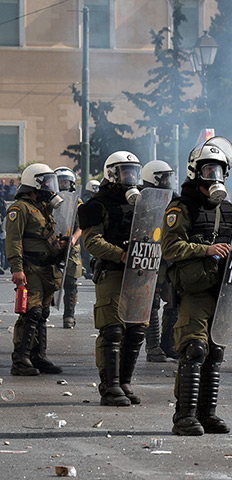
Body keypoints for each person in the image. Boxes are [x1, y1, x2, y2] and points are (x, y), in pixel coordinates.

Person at [161, 136, 232, 436]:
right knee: (194, 349)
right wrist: (204, 249)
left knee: (214, 351)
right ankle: (184, 416)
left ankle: (208, 414)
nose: (213, 178)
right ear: (195, 172)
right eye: (208, 171)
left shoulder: (229, 210)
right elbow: (169, 247)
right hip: (192, 290)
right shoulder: (181, 208)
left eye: (218, 171)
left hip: (220, 290)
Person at [78, 151, 144, 406]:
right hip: (112, 271)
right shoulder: (98, 205)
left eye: (134, 172)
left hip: (140, 272)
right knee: (113, 329)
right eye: (126, 172)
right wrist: (121, 255)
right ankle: (110, 386)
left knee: (136, 330)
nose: (131, 177)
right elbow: (92, 242)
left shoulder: (142, 202)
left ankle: (124, 382)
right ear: (112, 174)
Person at [7, 164, 65, 376]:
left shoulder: (43, 208)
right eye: (47, 182)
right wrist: (17, 268)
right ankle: (20, 359)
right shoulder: (19, 208)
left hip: (46, 267)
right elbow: (14, 240)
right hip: (29, 267)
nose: (50, 186)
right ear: (35, 183)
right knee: (31, 312)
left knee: (43, 313)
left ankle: (38, 356)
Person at [140, 160, 179, 362]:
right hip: (150, 254)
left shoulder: (175, 199)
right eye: (163, 177)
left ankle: (169, 344)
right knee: (152, 302)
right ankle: (153, 347)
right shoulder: (141, 199)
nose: (167, 181)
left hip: (169, 257)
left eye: (168, 176)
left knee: (173, 300)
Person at [54, 167, 83, 329]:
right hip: (53, 244)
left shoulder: (77, 202)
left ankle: (69, 316)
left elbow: (82, 225)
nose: (63, 184)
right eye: (60, 181)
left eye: (65, 181)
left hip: (72, 247)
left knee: (71, 283)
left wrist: (73, 238)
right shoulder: (51, 200)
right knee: (49, 280)